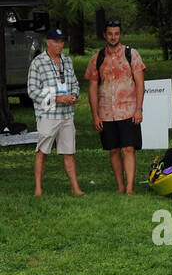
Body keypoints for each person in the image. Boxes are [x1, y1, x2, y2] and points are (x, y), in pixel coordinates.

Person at [85, 19, 145, 195]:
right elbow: (92, 88)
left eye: (116, 33)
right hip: (106, 112)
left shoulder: (131, 54)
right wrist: (95, 115)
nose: (113, 37)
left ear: (121, 34)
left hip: (128, 109)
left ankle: (129, 188)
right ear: (105, 35)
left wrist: (139, 108)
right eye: (110, 34)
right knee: (113, 150)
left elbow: (140, 84)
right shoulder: (97, 58)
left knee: (129, 148)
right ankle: (119, 185)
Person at [28, 27, 83, 197]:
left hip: (66, 114)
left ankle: (76, 189)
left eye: (61, 41)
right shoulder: (38, 62)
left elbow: (75, 83)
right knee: (42, 151)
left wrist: (74, 95)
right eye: (55, 42)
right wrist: (57, 98)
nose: (59, 45)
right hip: (48, 114)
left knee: (69, 152)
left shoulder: (67, 60)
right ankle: (38, 189)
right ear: (47, 42)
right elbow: (32, 91)